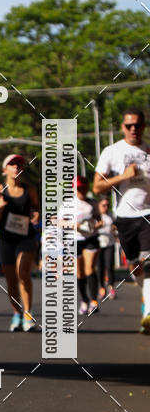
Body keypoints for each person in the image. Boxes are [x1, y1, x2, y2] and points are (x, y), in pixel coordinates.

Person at [94, 108, 150, 333]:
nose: (133, 129)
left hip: (147, 214)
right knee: (135, 265)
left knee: (148, 262)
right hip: (125, 216)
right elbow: (97, 186)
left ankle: (148, 312)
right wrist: (123, 176)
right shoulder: (112, 151)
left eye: (137, 125)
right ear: (123, 127)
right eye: (129, 125)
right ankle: (145, 295)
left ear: (144, 126)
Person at [0, 153, 40, 332]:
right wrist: (1, 208)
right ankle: (17, 313)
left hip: (26, 237)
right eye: (12, 164)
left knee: (23, 272)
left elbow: (36, 209)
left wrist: (35, 214)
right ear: (5, 169)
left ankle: (28, 314)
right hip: (6, 240)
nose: (16, 167)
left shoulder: (29, 189)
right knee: (11, 280)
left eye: (19, 164)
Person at [74, 176, 102, 315]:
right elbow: (58, 221)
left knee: (90, 268)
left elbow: (99, 220)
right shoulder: (68, 204)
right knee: (80, 272)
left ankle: (94, 301)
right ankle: (84, 300)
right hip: (76, 239)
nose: (81, 190)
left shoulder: (93, 203)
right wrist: (73, 225)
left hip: (91, 238)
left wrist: (96, 226)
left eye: (83, 188)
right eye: (79, 188)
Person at [96, 196, 118, 300]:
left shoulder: (111, 215)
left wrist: (115, 230)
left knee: (109, 266)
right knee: (100, 267)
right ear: (99, 205)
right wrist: (98, 226)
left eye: (107, 205)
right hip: (98, 244)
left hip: (110, 243)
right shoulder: (96, 215)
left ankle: (111, 287)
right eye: (103, 205)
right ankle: (101, 288)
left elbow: (115, 228)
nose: (106, 207)